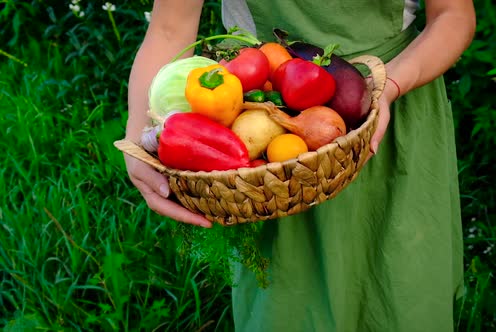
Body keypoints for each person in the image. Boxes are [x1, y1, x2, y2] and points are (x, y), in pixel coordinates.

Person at [124, 0, 476, 331]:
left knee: (400, 295)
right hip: (270, 140)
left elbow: (452, 15)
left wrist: (387, 87)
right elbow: (170, 30)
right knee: (289, 308)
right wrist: (141, 140)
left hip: (392, 114)